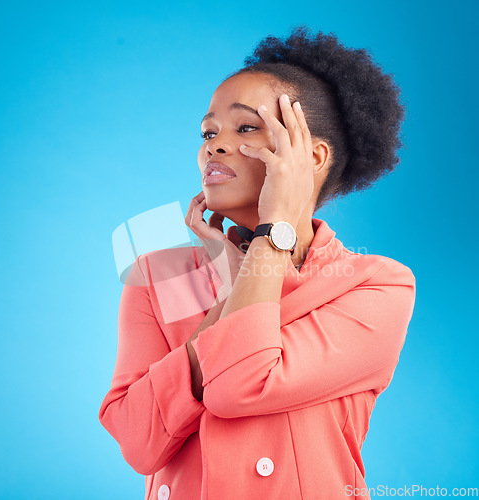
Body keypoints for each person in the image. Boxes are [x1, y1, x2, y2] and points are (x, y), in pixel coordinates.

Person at [98, 25, 416, 500]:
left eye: (246, 127)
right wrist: (230, 274)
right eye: (209, 131)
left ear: (311, 156)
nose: (215, 145)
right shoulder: (158, 274)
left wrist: (270, 237)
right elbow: (138, 442)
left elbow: (237, 386)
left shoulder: (377, 286)